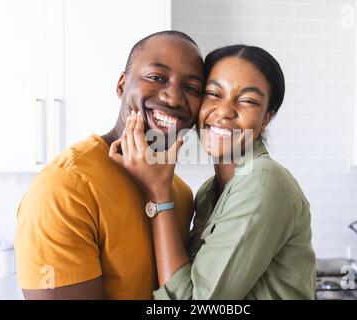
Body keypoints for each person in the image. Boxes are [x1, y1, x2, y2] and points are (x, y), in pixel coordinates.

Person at [110, 44, 316, 299]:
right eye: (214, 94)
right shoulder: (209, 191)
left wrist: (159, 195)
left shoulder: (263, 180)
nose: (225, 111)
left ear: (266, 118)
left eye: (248, 101)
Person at [14, 30, 204, 299]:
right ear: (121, 85)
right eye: (157, 77)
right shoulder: (64, 187)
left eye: (192, 88)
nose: (174, 98)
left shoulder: (179, 194)